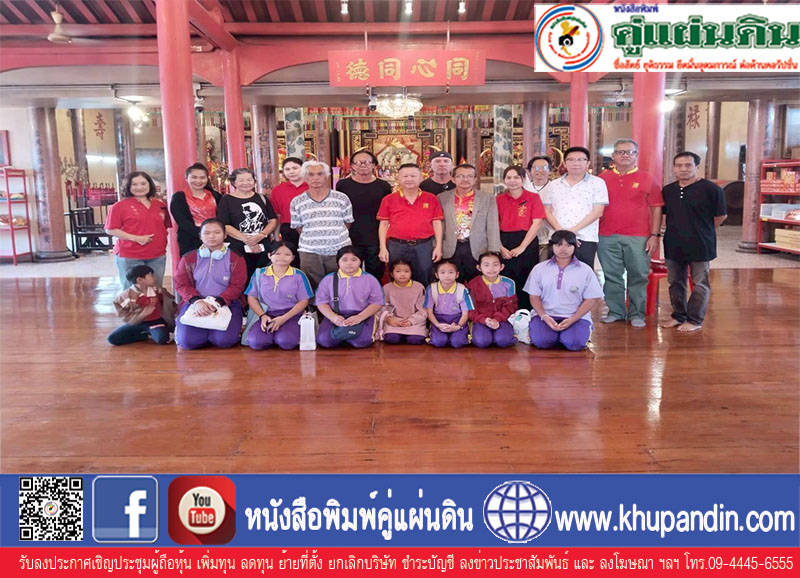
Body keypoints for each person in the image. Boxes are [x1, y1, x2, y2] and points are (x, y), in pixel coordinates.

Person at [597, 139, 664, 328]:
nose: (625, 155)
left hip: (639, 236)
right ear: (613, 156)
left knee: (638, 275)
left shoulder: (647, 178)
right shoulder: (602, 179)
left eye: (630, 152)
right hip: (606, 234)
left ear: (636, 155)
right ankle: (616, 311)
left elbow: (656, 208)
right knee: (612, 275)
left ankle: (637, 314)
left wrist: (654, 235)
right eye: (620, 152)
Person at [660, 151, 727, 333]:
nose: (683, 169)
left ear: (697, 167)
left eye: (688, 165)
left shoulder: (712, 189)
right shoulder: (668, 190)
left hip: (701, 243)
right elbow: (664, 215)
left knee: (700, 283)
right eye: (679, 165)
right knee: (675, 282)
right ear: (674, 168)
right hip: (673, 243)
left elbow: (720, 216)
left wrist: (702, 229)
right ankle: (678, 315)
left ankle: (695, 319)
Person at [173, 218, 247, 349]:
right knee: (188, 342)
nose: (212, 236)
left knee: (224, 341)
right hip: (196, 303)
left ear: (225, 235)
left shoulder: (236, 258)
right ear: (200, 236)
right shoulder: (188, 258)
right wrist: (197, 301)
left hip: (226, 303)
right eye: (207, 233)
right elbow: (181, 284)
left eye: (217, 232)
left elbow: (238, 286)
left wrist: (218, 302)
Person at [524, 230, 604, 351]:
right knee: (542, 342)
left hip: (576, 317)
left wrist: (573, 319)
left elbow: (591, 299)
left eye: (568, 245)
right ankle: (558, 336)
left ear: (575, 246)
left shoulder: (585, 270)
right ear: (552, 246)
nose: (563, 249)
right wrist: (544, 316)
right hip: (546, 316)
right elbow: (534, 296)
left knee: (575, 343)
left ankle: (569, 335)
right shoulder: (539, 269)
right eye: (559, 244)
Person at [290, 160, 354, 288]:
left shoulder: (341, 198)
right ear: (305, 177)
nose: (315, 178)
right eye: (311, 174)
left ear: (326, 176)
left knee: (340, 287)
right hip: (310, 252)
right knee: (312, 288)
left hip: (338, 250)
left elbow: (347, 223)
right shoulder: (297, 201)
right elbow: (298, 227)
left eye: (320, 174)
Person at [542, 146, 609, 268]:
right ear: (564, 163)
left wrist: (572, 232)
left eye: (580, 159)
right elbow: (547, 211)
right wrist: (561, 232)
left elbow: (598, 212)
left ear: (588, 163)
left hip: (585, 238)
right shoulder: (553, 185)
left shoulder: (597, 183)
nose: (576, 163)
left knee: (582, 274)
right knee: (555, 273)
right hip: (557, 238)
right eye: (571, 159)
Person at [377, 163, 443, 284]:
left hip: (423, 245)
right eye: (405, 176)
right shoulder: (389, 199)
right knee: (398, 279)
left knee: (424, 277)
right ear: (399, 178)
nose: (409, 179)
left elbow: (437, 223)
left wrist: (438, 247)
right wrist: (383, 248)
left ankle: (423, 297)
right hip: (397, 245)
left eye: (413, 176)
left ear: (421, 178)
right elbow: (383, 224)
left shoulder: (431, 198)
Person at [105, 171, 171, 288]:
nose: (139, 187)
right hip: (130, 256)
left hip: (157, 254)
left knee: (155, 290)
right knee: (133, 292)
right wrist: (136, 238)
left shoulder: (160, 205)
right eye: (134, 184)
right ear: (128, 187)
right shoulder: (119, 206)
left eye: (143, 184)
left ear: (150, 185)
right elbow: (110, 229)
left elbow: (163, 227)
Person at [244, 241, 313, 350]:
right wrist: (262, 316)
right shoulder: (260, 273)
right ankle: (272, 336)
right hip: (267, 314)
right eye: (277, 254)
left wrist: (283, 319)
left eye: (287, 254)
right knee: (256, 342)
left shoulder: (299, 275)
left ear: (293, 258)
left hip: (291, 315)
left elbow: (304, 300)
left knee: (286, 342)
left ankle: (279, 335)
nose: (282, 257)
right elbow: (252, 297)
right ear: (269, 255)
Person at [336, 150, 392, 281]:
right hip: (350, 235)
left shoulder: (383, 186)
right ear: (352, 166)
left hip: (375, 235)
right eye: (358, 162)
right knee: (351, 271)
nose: (362, 165)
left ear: (374, 165)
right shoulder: (343, 185)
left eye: (366, 162)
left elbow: (387, 213)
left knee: (376, 272)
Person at [438, 163, 501, 282]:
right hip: (451, 248)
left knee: (477, 284)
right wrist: (437, 247)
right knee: (452, 283)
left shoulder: (487, 198)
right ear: (453, 179)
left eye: (469, 176)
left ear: (475, 179)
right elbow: (439, 225)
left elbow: (492, 226)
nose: (465, 179)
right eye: (460, 176)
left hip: (478, 248)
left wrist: (493, 251)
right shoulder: (442, 198)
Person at [496, 165, 546, 310]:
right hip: (504, 241)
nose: (512, 181)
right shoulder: (499, 199)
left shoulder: (533, 197)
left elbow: (537, 223)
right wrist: (501, 247)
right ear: (504, 180)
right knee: (506, 278)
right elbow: (494, 225)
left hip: (527, 241)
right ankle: (506, 311)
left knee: (527, 277)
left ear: (523, 179)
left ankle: (526, 311)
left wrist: (522, 247)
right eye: (508, 177)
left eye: (516, 177)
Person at [315, 246, 384, 349]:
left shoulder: (370, 279)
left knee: (361, 342)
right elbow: (321, 302)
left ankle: (345, 336)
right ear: (338, 262)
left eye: (354, 259)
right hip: (336, 315)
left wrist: (359, 317)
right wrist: (333, 317)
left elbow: (377, 302)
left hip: (362, 316)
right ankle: (344, 335)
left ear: (360, 261)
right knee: (324, 341)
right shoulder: (328, 279)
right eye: (344, 260)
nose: (349, 263)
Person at [216, 167, 278, 282]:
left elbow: (272, 220)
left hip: (262, 245)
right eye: (241, 180)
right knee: (241, 278)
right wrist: (247, 240)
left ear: (254, 181)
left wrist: (261, 235)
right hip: (238, 247)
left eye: (249, 179)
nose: (246, 183)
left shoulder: (261, 198)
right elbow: (224, 225)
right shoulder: (227, 200)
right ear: (234, 182)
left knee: (263, 278)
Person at [108, 264, 174, 346]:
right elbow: (122, 312)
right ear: (140, 280)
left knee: (162, 339)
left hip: (155, 322)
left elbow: (170, 301)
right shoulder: (126, 296)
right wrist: (142, 314)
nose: (155, 278)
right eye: (151, 275)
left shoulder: (157, 290)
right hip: (137, 323)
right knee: (113, 339)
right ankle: (145, 335)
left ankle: (150, 332)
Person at [466, 252, 518, 348]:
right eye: (486, 265)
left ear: (501, 267)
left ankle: (501, 335)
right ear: (479, 267)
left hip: (502, 319)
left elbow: (511, 306)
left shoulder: (509, 283)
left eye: (495, 265)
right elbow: (470, 309)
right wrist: (484, 320)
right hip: (481, 320)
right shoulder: (473, 284)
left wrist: (497, 319)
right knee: (482, 342)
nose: (491, 269)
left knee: (503, 341)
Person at [169, 163, 222, 256]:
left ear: (207, 179)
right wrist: (204, 235)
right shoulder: (179, 197)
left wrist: (215, 235)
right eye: (194, 177)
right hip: (190, 241)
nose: (198, 181)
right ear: (186, 178)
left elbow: (223, 217)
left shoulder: (216, 196)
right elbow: (182, 221)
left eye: (202, 178)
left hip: (215, 240)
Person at [425, 259, 473, 348]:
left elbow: (465, 313)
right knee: (439, 342)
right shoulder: (431, 289)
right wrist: (438, 325)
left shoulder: (462, 289)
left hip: (457, 320)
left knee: (457, 343)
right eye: (442, 272)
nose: (447, 276)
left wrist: (458, 326)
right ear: (437, 275)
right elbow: (429, 312)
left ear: (457, 274)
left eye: (451, 272)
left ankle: (460, 334)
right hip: (438, 320)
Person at [378, 259, 427, 345]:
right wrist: (390, 319)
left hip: (414, 322)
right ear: (392, 274)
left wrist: (411, 321)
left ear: (411, 273)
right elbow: (383, 307)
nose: (402, 274)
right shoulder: (387, 288)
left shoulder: (419, 287)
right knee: (392, 339)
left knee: (415, 340)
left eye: (406, 271)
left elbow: (423, 309)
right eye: (398, 271)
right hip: (394, 322)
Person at [269, 157, 308, 248]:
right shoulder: (278, 190)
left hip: (311, 227)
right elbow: (277, 215)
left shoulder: (312, 187)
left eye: (295, 168)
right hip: (288, 229)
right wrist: (276, 236)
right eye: (287, 169)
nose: (291, 171)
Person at [526, 155, 554, 262]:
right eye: (536, 168)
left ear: (550, 171)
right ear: (529, 171)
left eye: (544, 168)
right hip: (527, 238)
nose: (540, 171)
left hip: (548, 238)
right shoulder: (524, 189)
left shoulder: (555, 188)